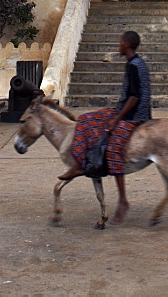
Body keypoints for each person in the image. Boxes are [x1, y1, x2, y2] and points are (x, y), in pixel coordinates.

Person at [59, 30, 152, 224]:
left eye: (120, 42)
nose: (118, 45)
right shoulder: (135, 63)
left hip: (134, 116)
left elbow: (134, 97)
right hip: (124, 111)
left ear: (126, 44)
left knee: (113, 149)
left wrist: (116, 119)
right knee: (85, 120)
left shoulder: (135, 65)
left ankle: (123, 200)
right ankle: (79, 165)